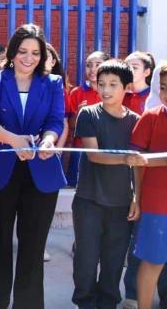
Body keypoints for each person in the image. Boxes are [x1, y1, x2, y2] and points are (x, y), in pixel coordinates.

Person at [0, 23, 65, 308]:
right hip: (1, 171)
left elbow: (55, 121)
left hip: (41, 172)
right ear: (12, 52)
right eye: (23, 51)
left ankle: (28, 304)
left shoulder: (52, 83)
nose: (29, 58)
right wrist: (14, 141)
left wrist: (49, 141)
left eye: (35, 52)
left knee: (33, 246)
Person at [72, 59, 142, 309]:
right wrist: (125, 157)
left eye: (113, 84)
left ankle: (108, 302)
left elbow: (139, 166)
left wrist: (137, 199)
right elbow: (94, 154)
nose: (106, 90)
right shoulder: (88, 114)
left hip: (122, 202)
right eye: (101, 84)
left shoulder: (136, 120)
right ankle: (85, 302)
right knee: (86, 258)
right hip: (89, 200)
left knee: (114, 260)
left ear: (127, 87)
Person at [126, 64, 167, 309]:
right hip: (157, 204)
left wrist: (151, 159)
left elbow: (145, 160)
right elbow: (135, 162)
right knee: (152, 262)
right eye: (163, 88)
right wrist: (136, 198)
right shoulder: (151, 117)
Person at [66, 50, 110, 187]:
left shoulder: (113, 91)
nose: (92, 69)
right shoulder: (77, 92)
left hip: (106, 150)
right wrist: (79, 114)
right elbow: (70, 126)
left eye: (97, 64)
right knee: (76, 188)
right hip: (81, 150)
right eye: (88, 65)